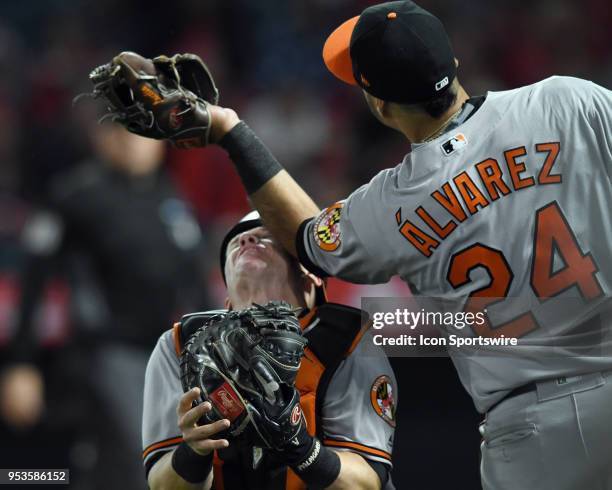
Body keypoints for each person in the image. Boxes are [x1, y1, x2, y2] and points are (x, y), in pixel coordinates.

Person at [192, 2, 611, 489]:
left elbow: (304, 236)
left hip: (529, 431)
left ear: (380, 106)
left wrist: (231, 132)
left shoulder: (390, 205)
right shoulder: (568, 102)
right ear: (454, 66)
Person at [1, 122, 208, 489]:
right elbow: (35, 281)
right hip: (104, 352)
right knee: (139, 457)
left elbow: (196, 287)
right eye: (126, 134)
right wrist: (22, 363)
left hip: (165, 357)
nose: (137, 145)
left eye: (147, 136)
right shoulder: (76, 195)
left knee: (157, 464)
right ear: (104, 138)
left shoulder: (170, 198)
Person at [142, 211, 397, 490]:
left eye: (268, 237)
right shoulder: (182, 344)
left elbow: (365, 483)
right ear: (226, 301)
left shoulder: (346, 339)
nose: (247, 239)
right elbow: (163, 485)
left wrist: (300, 448)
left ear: (311, 281)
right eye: (236, 243)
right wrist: (194, 452)